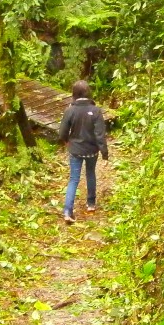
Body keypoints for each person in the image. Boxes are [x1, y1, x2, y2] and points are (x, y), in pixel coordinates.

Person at [58, 80, 108, 223]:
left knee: (74, 179)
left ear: (74, 94)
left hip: (75, 150)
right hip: (92, 150)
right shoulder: (96, 111)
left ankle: (68, 211)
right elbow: (100, 134)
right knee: (90, 173)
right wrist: (104, 152)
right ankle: (91, 204)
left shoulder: (70, 110)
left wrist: (67, 141)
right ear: (88, 93)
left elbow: (62, 133)